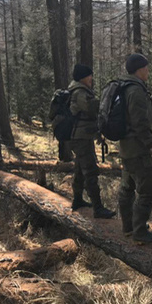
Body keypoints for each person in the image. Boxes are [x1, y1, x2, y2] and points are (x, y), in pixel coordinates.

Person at [118, 53, 152, 244]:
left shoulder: (128, 87)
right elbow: (139, 123)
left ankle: (128, 227)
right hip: (138, 149)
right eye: (146, 67)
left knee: (127, 188)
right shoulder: (135, 90)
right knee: (147, 190)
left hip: (127, 148)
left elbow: (144, 105)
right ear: (139, 69)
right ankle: (139, 232)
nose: (148, 71)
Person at [68, 64, 116, 219]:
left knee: (80, 169)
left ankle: (77, 200)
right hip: (81, 138)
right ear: (82, 77)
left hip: (82, 136)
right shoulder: (80, 92)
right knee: (90, 171)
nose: (91, 78)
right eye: (89, 76)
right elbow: (92, 109)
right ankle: (98, 208)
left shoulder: (77, 90)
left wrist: (97, 135)